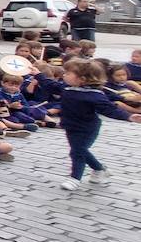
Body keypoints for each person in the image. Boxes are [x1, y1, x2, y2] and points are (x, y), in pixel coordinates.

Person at [59, 59, 141, 191]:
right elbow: (50, 84)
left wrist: (128, 116)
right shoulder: (67, 89)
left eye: (68, 73)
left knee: (77, 151)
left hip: (87, 128)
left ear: (82, 78)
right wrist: (38, 74)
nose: (64, 75)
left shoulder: (95, 95)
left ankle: (75, 178)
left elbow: (110, 109)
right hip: (70, 126)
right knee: (79, 150)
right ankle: (99, 169)